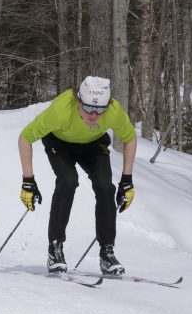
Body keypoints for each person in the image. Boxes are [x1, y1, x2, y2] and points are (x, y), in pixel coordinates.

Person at [17, 76, 137, 274]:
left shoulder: (113, 111)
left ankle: (107, 252)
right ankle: (55, 248)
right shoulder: (60, 111)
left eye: (99, 111)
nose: (93, 115)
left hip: (93, 144)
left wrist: (127, 180)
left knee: (105, 187)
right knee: (68, 181)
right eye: (88, 108)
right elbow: (25, 138)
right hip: (59, 143)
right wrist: (28, 180)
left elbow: (130, 138)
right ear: (78, 100)